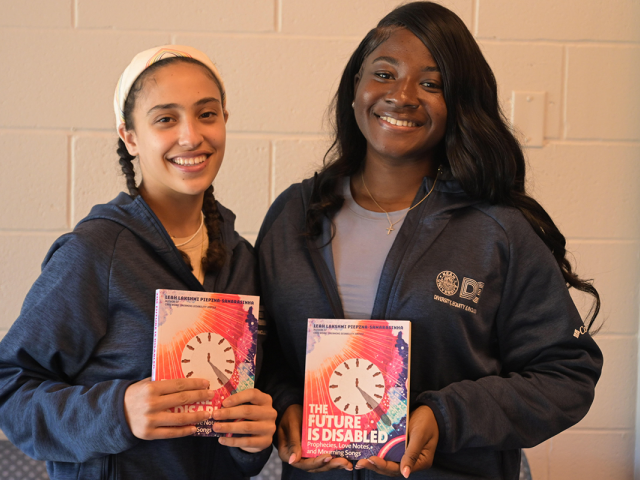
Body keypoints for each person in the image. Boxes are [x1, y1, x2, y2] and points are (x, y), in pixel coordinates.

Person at [256, 3, 603, 479]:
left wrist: (447, 416)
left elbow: (567, 374)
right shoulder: (293, 214)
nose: (402, 96)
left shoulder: (494, 230)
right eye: (384, 73)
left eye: (431, 83)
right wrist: (286, 401)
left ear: (458, 102)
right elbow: (266, 350)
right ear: (356, 83)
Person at [0, 45, 276, 480]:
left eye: (207, 114)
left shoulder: (242, 259)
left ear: (225, 121)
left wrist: (255, 436)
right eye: (166, 119)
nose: (191, 136)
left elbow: (243, 420)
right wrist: (118, 412)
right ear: (130, 136)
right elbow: (10, 388)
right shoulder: (95, 251)